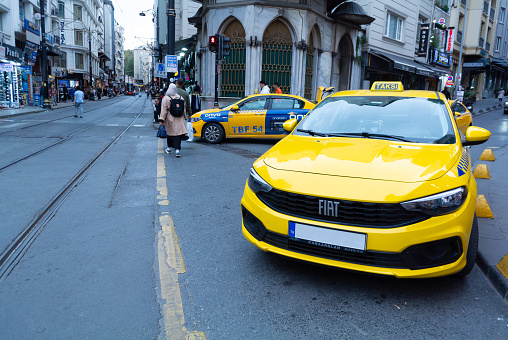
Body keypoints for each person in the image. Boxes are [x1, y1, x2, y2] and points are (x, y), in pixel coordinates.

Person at [159, 83, 188, 157]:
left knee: (169, 133)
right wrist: (185, 117)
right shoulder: (180, 97)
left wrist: (161, 119)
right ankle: (177, 150)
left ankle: (169, 148)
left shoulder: (166, 98)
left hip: (170, 118)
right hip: (179, 118)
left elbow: (164, 110)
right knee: (178, 134)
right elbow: (184, 109)